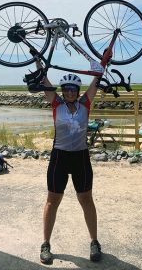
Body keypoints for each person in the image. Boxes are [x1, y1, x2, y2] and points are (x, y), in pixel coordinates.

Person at [36, 59, 103, 265]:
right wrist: (38, 61)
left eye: (73, 89)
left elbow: (97, 79)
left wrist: (104, 61)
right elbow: (44, 81)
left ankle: (94, 242)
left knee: (86, 199)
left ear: (78, 90)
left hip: (81, 157)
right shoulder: (56, 103)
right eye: (67, 89)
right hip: (60, 157)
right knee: (52, 200)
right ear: (63, 91)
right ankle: (45, 244)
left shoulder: (85, 104)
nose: (70, 93)